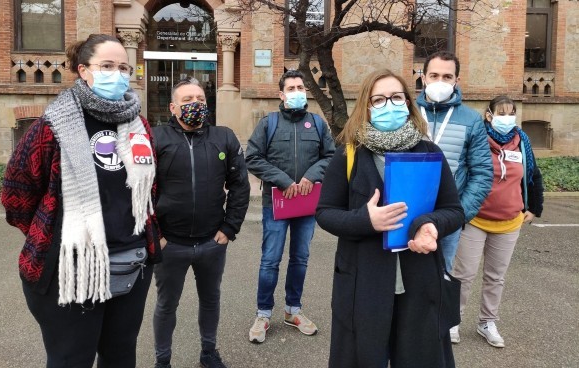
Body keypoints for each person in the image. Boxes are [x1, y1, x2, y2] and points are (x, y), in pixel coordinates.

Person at [0, 34, 161, 367]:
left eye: (123, 68)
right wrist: (51, 232)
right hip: (70, 270)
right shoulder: (51, 126)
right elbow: (17, 195)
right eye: (106, 66)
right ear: (83, 70)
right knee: (71, 359)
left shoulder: (139, 125)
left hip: (131, 266)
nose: (116, 74)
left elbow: (150, 188)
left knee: (120, 357)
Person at [315, 69, 465, 367]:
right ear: (366, 106)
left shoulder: (428, 152)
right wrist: (366, 221)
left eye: (396, 97)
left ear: (408, 103)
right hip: (364, 284)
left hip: (419, 282)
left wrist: (431, 225)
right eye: (379, 99)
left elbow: (454, 210)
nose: (389, 105)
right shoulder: (348, 154)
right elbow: (325, 213)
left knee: (420, 358)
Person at [152, 78, 250, 368]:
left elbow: (240, 186)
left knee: (210, 300)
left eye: (200, 99)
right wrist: (155, 234)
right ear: (173, 107)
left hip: (212, 241)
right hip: (170, 244)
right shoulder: (156, 138)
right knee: (166, 305)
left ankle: (209, 352)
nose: (195, 104)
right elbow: (140, 189)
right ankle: (162, 360)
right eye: (186, 100)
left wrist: (229, 228)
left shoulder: (224, 137)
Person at [245, 69, 336, 343]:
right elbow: (253, 157)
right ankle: (263, 314)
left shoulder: (318, 124)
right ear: (282, 95)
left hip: (307, 205)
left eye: (301, 87)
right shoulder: (268, 124)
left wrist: (312, 176)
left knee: (300, 258)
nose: (297, 92)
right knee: (270, 260)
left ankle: (292, 310)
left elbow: (331, 156)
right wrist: (283, 180)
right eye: (292, 88)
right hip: (277, 203)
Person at [450, 96, 544, 347]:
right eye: (501, 113)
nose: (507, 118)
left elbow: (533, 175)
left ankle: (487, 322)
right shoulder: (478, 139)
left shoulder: (522, 141)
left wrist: (534, 208)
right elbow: (463, 172)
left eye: (511, 112)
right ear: (489, 114)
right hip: (475, 219)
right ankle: (452, 320)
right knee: (464, 274)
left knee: (496, 276)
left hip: (509, 221)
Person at [416, 51, 493, 272]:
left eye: (447, 77)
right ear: (424, 77)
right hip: (407, 212)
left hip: (448, 217)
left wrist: (459, 214)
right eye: (434, 75)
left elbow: (482, 173)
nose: (440, 81)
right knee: (404, 281)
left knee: (442, 278)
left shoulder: (471, 120)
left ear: (457, 81)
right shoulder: (407, 113)